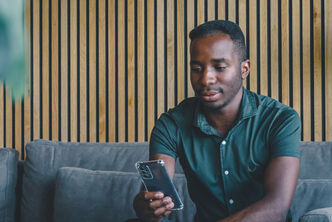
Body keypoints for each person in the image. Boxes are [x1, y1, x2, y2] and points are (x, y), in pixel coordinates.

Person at [133, 20, 300, 222]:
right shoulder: (171, 125)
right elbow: (153, 196)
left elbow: (276, 208)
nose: (206, 79)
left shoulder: (280, 119)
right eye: (196, 68)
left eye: (219, 67)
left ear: (244, 69)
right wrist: (147, 208)